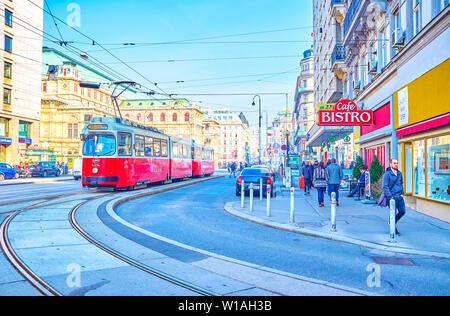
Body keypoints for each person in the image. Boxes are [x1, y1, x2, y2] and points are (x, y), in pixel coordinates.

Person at [382, 158, 405, 235]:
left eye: (397, 163)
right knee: (393, 213)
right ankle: (394, 229)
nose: (396, 164)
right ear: (390, 164)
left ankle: (391, 222)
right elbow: (385, 186)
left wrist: (402, 193)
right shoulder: (387, 174)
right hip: (392, 197)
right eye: (394, 163)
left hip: (399, 196)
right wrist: (390, 196)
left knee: (402, 211)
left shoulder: (399, 173)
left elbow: (401, 183)